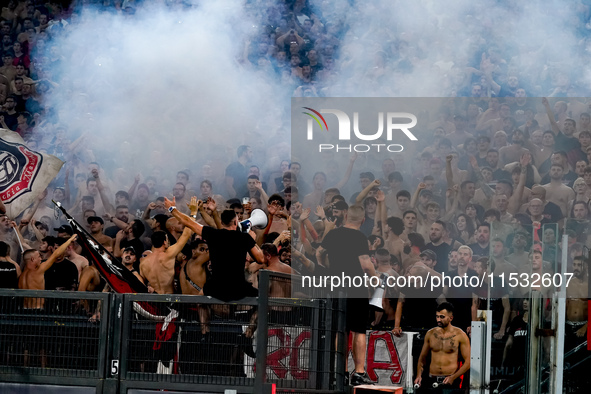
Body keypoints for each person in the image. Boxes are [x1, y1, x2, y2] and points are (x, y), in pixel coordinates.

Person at [315, 204, 379, 386]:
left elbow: (319, 253)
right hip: (355, 287)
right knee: (358, 329)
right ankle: (359, 372)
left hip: (336, 286)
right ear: (363, 220)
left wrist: (326, 267)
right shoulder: (360, 237)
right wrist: (375, 280)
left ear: (346, 216)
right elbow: (366, 264)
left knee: (340, 329)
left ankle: (340, 371)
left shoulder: (333, 234)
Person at [164, 196, 265, 301]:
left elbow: (188, 222)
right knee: (264, 301)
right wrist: (252, 240)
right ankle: (253, 318)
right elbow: (261, 259)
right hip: (238, 287)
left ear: (221, 223)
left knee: (200, 300)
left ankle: (203, 318)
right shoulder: (244, 237)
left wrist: (172, 209)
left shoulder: (213, 234)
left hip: (216, 287)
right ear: (236, 222)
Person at [414, 302, 471, 390]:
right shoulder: (430, 334)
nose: (438, 320)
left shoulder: (460, 335)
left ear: (450, 318)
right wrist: (419, 375)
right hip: (431, 380)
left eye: (442, 317)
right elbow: (422, 358)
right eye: (437, 316)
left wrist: (453, 377)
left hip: (451, 380)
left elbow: (468, 362)